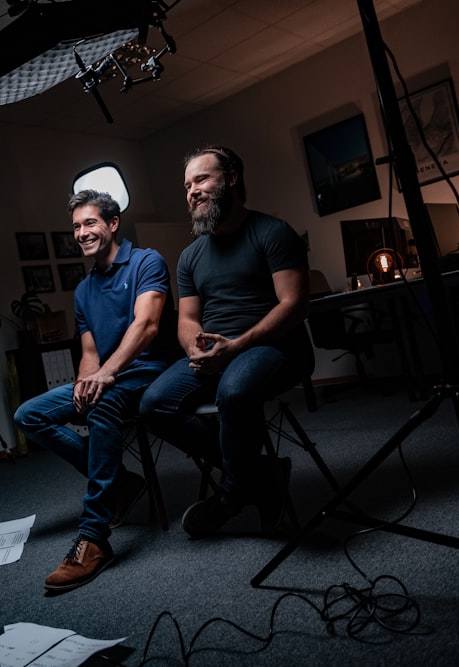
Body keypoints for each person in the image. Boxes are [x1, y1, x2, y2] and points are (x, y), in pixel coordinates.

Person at [139, 145, 314, 538]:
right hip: (214, 354)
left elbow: (295, 305)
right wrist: (193, 348)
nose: (192, 191)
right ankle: (261, 473)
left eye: (201, 179)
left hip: (276, 348)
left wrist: (235, 347)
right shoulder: (190, 256)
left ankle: (233, 494)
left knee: (234, 392)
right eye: (187, 185)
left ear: (231, 178)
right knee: (153, 405)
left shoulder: (273, 232)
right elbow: (187, 319)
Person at [14, 189, 177, 591]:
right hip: (108, 376)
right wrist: (86, 380)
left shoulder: (146, 261)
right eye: (76, 226)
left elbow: (147, 327)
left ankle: (94, 537)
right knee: (29, 415)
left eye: (90, 223)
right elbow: (88, 350)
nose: (82, 232)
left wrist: (104, 376)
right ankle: (121, 482)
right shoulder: (84, 290)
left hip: (150, 373)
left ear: (112, 223)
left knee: (102, 404)